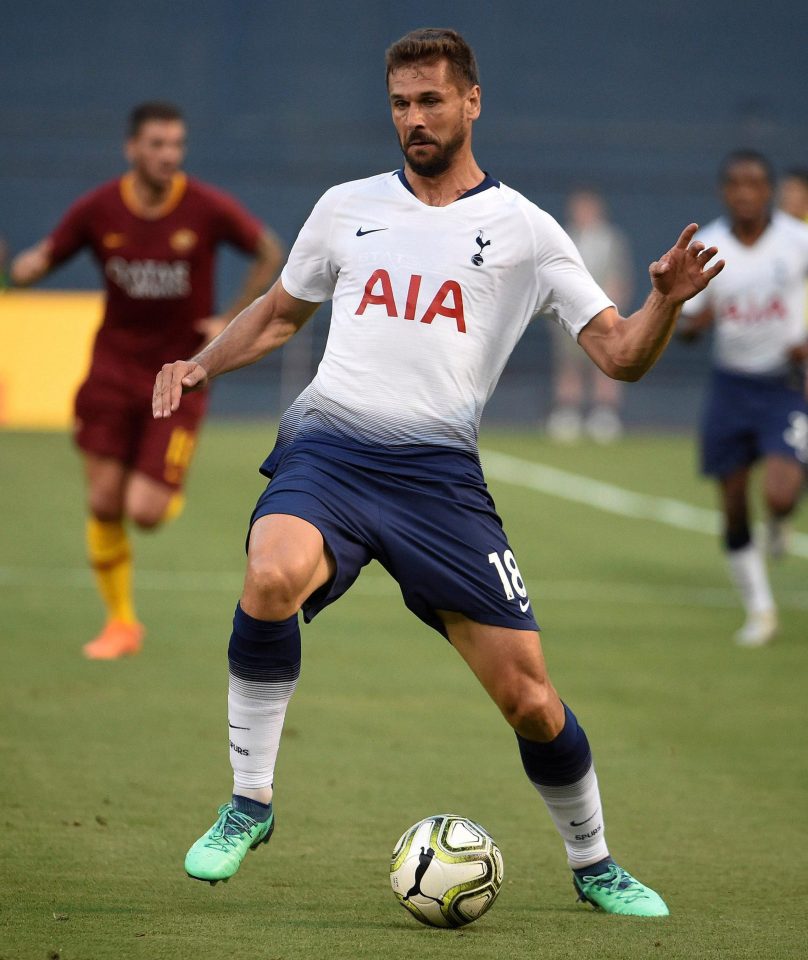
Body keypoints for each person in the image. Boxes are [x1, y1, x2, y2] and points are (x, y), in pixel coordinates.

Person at [153, 28, 722, 915]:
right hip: (329, 454)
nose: (412, 119)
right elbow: (275, 315)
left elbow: (618, 356)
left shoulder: (528, 232)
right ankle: (247, 803)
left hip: (438, 484)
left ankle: (595, 862)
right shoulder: (345, 206)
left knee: (532, 701)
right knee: (268, 575)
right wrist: (200, 363)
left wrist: (662, 304)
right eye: (399, 103)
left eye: (429, 100)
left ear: (471, 102)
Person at [10, 101, 283, 660]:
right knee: (105, 501)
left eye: (176, 145)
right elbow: (43, 258)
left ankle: (161, 478)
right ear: (132, 149)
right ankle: (121, 624)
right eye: (157, 145)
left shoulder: (205, 208)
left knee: (146, 512)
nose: (168, 156)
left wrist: (228, 317)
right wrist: (25, 269)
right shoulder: (100, 209)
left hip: (177, 376)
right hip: (110, 372)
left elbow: (267, 249)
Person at [680, 150, 808, 647]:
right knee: (733, 504)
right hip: (731, 384)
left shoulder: (796, 241)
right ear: (724, 191)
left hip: (784, 383)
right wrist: (691, 319)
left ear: (769, 190)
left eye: (755, 183)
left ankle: (779, 521)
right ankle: (760, 609)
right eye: (736, 183)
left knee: (778, 492)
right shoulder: (708, 245)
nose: (746, 192)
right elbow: (688, 325)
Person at [546, 187, 634, 442]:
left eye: (587, 208)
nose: (582, 213)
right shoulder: (564, 237)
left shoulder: (611, 239)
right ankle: (567, 413)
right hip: (568, 316)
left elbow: (619, 277)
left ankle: (604, 415)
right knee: (569, 366)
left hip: (603, 315)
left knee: (605, 365)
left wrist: (607, 309)